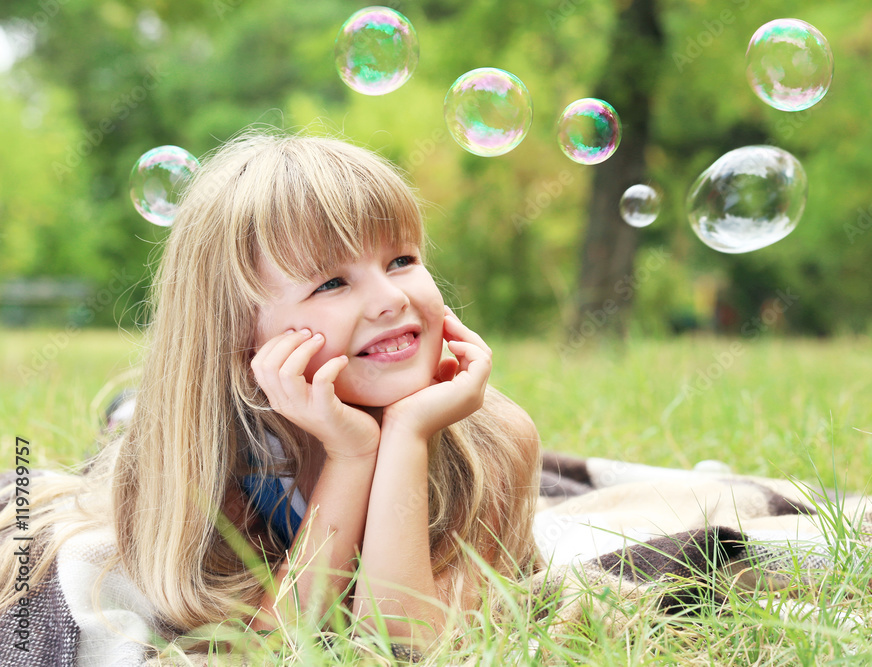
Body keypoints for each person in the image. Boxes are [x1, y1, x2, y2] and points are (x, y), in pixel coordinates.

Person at [0, 132, 541, 660]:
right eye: (330, 283)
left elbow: (403, 643)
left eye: (401, 260)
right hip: (232, 415)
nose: (390, 298)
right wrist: (352, 456)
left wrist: (406, 434)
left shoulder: (494, 439)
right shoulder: (215, 454)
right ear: (239, 334)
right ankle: (128, 410)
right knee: (111, 450)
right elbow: (272, 643)